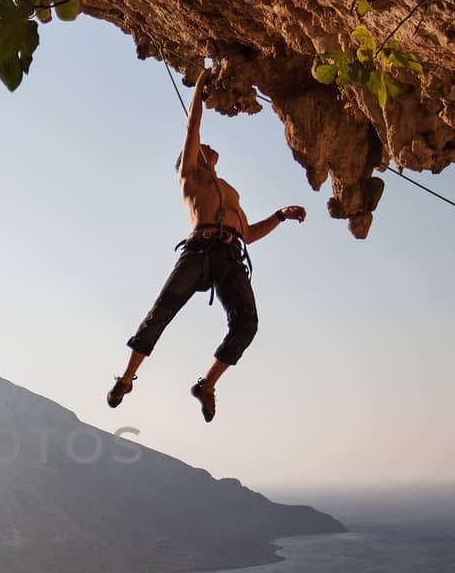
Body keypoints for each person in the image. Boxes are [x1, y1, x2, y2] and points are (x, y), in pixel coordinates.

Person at [107, 64, 306, 421]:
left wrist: (279, 216)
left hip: (230, 254)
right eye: (201, 149)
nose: (208, 147)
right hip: (200, 249)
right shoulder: (190, 177)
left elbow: (248, 233)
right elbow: (193, 126)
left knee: (247, 324)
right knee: (162, 311)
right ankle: (126, 377)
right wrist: (200, 84)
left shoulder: (228, 191)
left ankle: (207, 384)